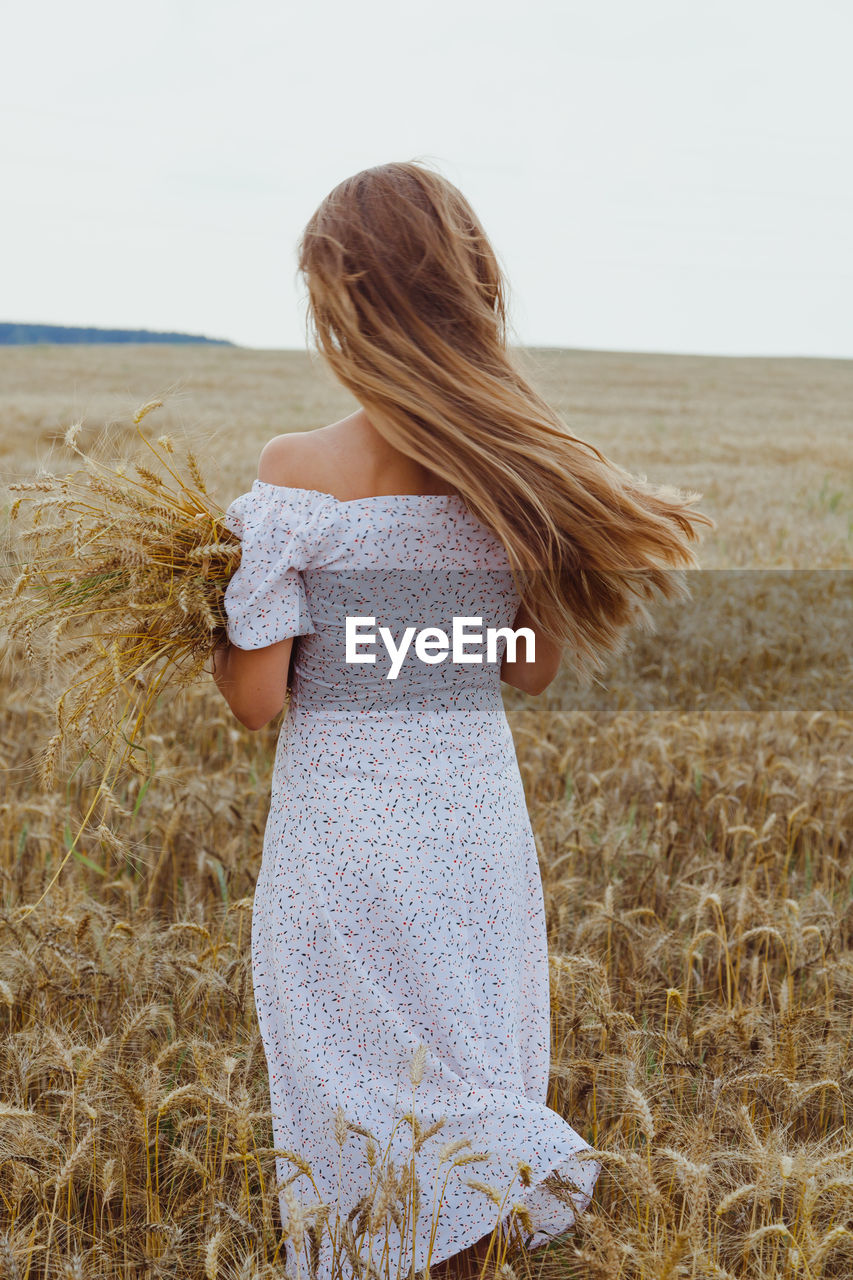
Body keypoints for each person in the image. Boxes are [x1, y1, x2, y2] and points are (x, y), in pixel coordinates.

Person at [211, 160, 712, 1280]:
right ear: (471, 285)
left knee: (357, 1113)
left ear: (339, 299)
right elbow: (526, 670)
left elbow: (254, 701)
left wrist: (219, 610)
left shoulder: (296, 473)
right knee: (469, 1111)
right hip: (473, 837)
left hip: (343, 848)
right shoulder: (512, 476)